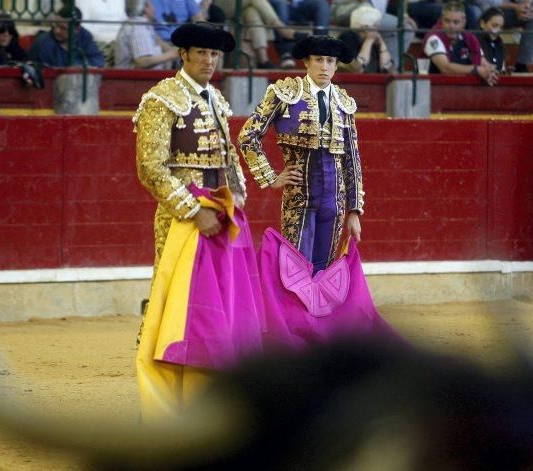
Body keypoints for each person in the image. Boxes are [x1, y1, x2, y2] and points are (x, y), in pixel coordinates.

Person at [133, 22, 262, 418]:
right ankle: (165, 402)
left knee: (219, 306)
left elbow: (230, 159)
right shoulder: (162, 98)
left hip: (222, 217)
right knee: (176, 306)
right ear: (183, 55)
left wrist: (237, 198)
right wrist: (194, 210)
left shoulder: (217, 101)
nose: (209, 61)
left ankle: (209, 398)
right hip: (183, 220)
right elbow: (150, 167)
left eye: (215, 54)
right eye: (202, 53)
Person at [238, 35, 363, 274]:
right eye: (318, 59)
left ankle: (316, 314)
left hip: (334, 203)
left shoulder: (344, 102)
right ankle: (295, 313)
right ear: (306, 62)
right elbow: (248, 136)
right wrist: (271, 177)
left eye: (330, 61)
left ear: (337, 65)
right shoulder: (285, 93)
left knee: (323, 270)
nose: (324, 66)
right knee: (296, 268)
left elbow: (351, 158)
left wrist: (354, 210)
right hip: (300, 199)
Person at [422, 1, 498, 86]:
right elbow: (445, 68)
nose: (451, 26)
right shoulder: (433, 38)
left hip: (463, 89)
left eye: (456, 22)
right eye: (447, 21)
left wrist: (490, 71)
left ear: (463, 22)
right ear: (441, 19)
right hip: (435, 88)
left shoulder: (470, 38)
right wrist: (476, 70)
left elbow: (483, 62)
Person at [475, 0, 533, 72]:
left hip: (511, 12)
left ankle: (522, 64)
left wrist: (525, 7)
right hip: (487, 8)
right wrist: (516, 7)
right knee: (476, 13)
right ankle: (481, 63)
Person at [28, 6, 105, 67]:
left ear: (77, 30)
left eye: (63, 28)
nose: (57, 31)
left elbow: (98, 61)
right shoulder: (43, 43)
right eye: (55, 25)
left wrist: (76, 66)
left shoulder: (84, 37)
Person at [114, 0, 178, 69]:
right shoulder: (138, 27)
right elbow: (142, 62)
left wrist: (176, 53)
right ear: (146, 8)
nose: (154, 9)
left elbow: (161, 44)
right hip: (135, 78)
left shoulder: (143, 25)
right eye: (152, 5)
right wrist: (174, 54)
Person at [475, 7, 506, 72]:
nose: (497, 30)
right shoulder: (474, 42)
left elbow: (501, 69)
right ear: (482, 24)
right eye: (494, 26)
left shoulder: (499, 43)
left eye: (501, 27)